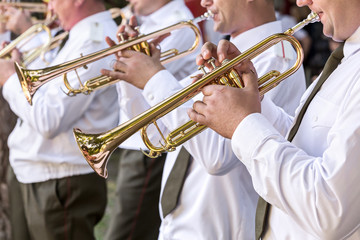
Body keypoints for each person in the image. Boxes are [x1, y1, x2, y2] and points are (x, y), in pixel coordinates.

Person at [101, 0, 307, 239]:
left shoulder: (275, 59)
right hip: (178, 225)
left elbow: (217, 157)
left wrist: (154, 78)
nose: (203, 2)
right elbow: (154, 133)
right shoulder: (224, 52)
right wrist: (135, 68)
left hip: (218, 230)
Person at [188, 0, 360, 239]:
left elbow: (330, 209)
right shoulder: (349, 56)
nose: (301, 2)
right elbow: (306, 145)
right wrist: (252, 102)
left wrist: (242, 123)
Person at [0, 0, 119, 239]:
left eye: (53, 0)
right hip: (39, 171)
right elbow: (48, 94)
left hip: (59, 180)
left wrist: (10, 79)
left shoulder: (94, 40)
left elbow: (50, 119)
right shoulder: (80, 34)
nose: (50, 7)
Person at [103, 1, 201, 240]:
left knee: (125, 232)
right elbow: (133, 96)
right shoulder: (145, 22)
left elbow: (145, 84)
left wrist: (130, 58)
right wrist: (125, 53)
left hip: (152, 147)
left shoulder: (179, 23)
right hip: (138, 140)